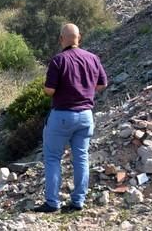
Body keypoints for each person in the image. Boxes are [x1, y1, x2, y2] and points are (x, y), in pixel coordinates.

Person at [33, 23, 107, 213]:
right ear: (79, 38)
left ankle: (52, 202)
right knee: (81, 157)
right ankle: (78, 200)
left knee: (52, 158)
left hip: (62, 115)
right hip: (86, 116)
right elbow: (101, 84)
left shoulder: (58, 60)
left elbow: (49, 91)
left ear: (61, 39)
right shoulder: (93, 58)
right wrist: (85, 90)